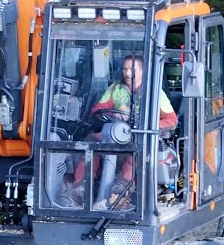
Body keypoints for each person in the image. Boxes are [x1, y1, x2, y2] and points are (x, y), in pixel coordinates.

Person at [64, 55, 178, 209]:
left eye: (132, 69)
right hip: (113, 134)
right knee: (91, 140)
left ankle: (121, 189)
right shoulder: (115, 89)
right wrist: (114, 114)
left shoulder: (155, 93)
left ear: (142, 71)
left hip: (140, 136)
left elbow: (171, 120)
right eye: (124, 69)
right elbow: (97, 110)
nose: (127, 73)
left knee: (137, 146)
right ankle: (81, 187)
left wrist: (146, 127)